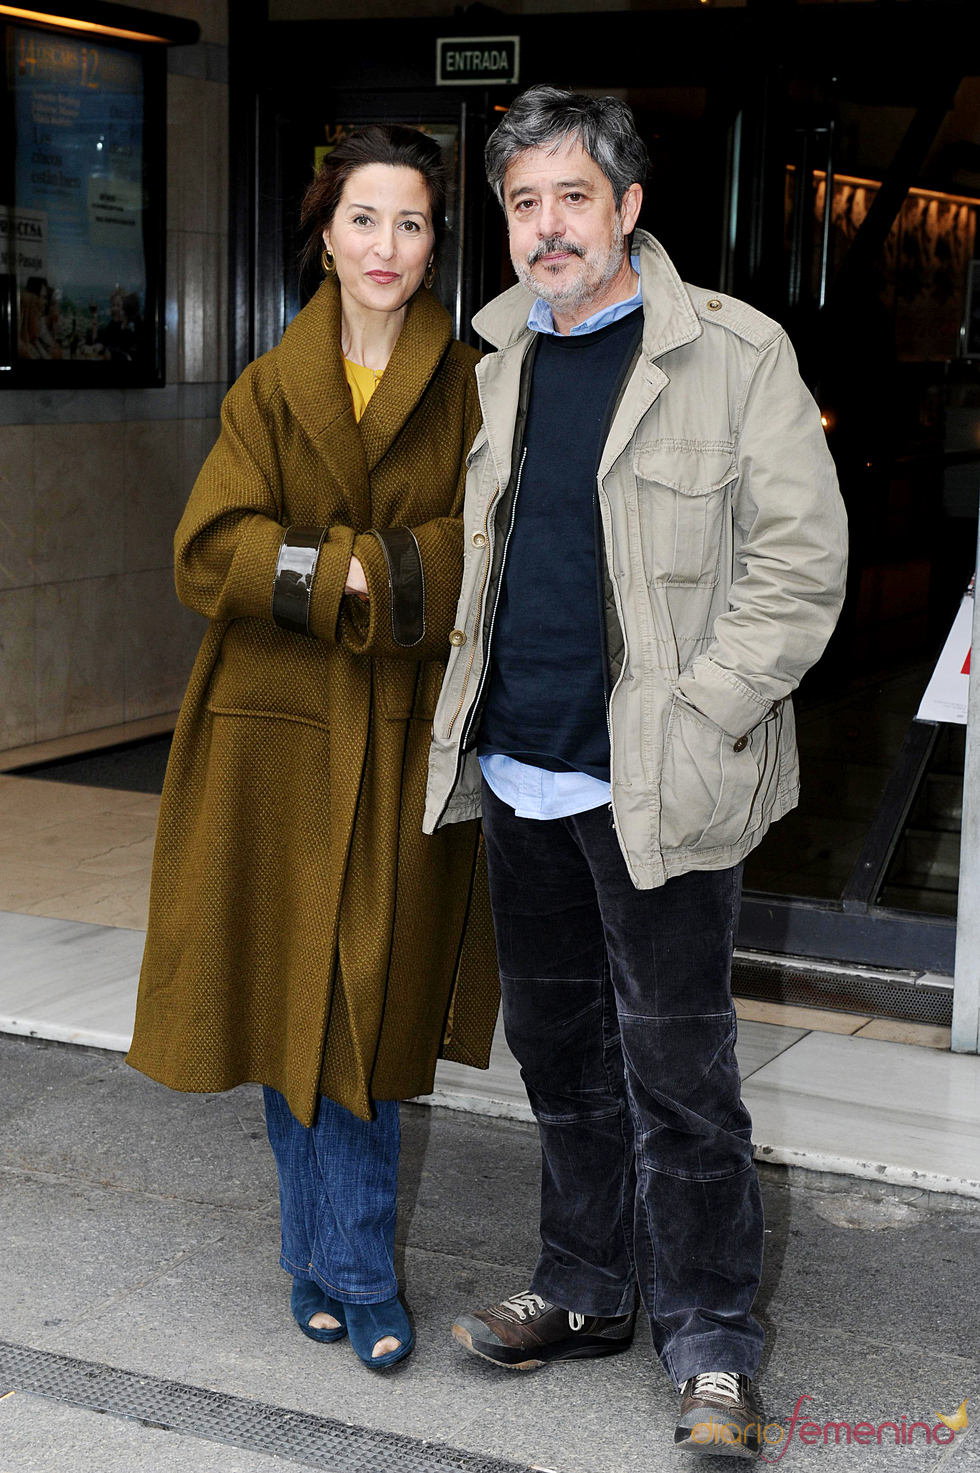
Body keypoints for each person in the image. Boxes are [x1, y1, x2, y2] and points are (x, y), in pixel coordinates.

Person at [425, 87, 847, 1456]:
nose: (548, 229)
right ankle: (586, 1284)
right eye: (524, 204)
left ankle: (714, 1340)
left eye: (572, 199)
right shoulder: (496, 359)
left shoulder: (733, 354)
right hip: (523, 772)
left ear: (628, 209)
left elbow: (800, 567)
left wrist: (705, 711)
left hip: (661, 784)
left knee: (682, 1076)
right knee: (559, 1056)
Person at [127, 124, 499, 1372]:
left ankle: (335, 1264)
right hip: (273, 740)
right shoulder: (266, 383)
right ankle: (341, 1268)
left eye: (410, 223)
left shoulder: (475, 379)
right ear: (325, 233)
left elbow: (481, 546)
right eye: (362, 220)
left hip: (398, 735)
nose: (385, 246)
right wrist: (348, 571)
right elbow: (207, 546)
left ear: (435, 240)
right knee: (303, 995)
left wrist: (367, 570)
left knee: (360, 998)